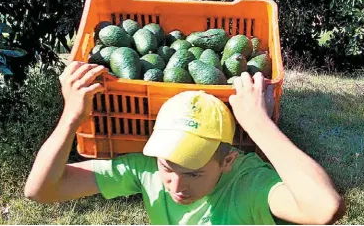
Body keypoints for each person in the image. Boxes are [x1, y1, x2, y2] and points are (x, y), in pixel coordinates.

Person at [24, 61, 345, 225]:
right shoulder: (146, 168)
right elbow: (42, 190)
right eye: (168, 166)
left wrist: (259, 124)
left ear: (227, 160)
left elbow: (325, 208)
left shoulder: (248, 184)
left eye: (193, 172)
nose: (175, 184)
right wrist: (71, 118)